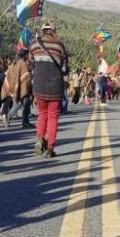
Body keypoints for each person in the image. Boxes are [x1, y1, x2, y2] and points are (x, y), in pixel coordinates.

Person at [29, 21, 69, 158]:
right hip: (55, 87)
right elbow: (64, 69)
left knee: (42, 113)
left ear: (43, 30)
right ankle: (50, 148)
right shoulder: (59, 45)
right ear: (53, 31)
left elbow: (31, 64)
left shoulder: (34, 44)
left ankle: (39, 139)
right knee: (53, 116)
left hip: (39, 85)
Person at [2, 49, 32, 127]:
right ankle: (23, 122)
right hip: (22, 86)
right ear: (25, 55)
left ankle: (22, 121)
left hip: (14, 86)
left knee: (20, 103)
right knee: (23, 103)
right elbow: (26, 76)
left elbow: (9, 74)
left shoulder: (14, 63)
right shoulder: (23, 64)